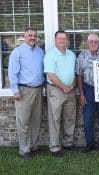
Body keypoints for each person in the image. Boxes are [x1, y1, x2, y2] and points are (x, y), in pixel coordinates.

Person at [8, 27, 44, 160]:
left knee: (36, 120)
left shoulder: (40, 51)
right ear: (24, 36)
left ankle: (34, 146)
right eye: (29, 35)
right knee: (23, 121)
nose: (32, 37)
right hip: (24, 91)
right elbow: (12, 73)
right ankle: (24, 150)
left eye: (34, 35)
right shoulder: (17, 52)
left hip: (39, 90)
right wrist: (15, 91)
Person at [75, 33, 99, 153]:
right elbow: (79, 75)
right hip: (88, 89)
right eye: (91, 41)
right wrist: (81, 93)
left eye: (96, 42)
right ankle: (90, 144)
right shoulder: (82, 56)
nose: (93, 43)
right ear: (87, 43)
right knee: (88, 118)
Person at [44, 30, 77, 157]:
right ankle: (55, 147)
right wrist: (64, 87)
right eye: (60, 38)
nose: (62, 41)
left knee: (69, 118)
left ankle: (68, 143)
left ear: (67, 40)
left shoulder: (71, 55)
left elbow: (73, 72)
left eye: (64, 38)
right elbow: (51, 75)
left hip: (70, 90)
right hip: (56, 90)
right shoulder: (50, 55)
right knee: (55, 119)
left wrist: (73, 85)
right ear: (55, 40)